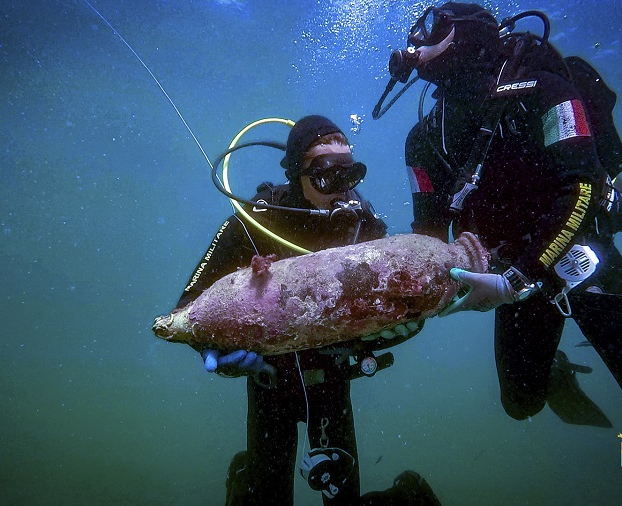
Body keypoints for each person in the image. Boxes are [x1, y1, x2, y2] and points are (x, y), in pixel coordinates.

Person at [382, 3, 622, 430]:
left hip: (577, 256)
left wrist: (515, 280)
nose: (415, 39)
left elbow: (580, 188)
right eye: (415, 30)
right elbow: (429, 234)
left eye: (431, 25)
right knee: (520, 404)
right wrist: (409, 294)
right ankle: (558, 370)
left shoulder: (544, 90)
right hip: (511, 275)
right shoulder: (422, 141)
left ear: (469, 32)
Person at [173, 115, 441, 505]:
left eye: (350, 175)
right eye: (328, 176)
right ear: (297, 173)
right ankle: (243, 479)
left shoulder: (362, 228)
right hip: (269, 385)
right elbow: (188, 306)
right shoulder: (252, 224)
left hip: (331, 382)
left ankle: (408, 496)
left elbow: (398, 299)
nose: (342, 190)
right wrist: (213, 349)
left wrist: (399, 328)